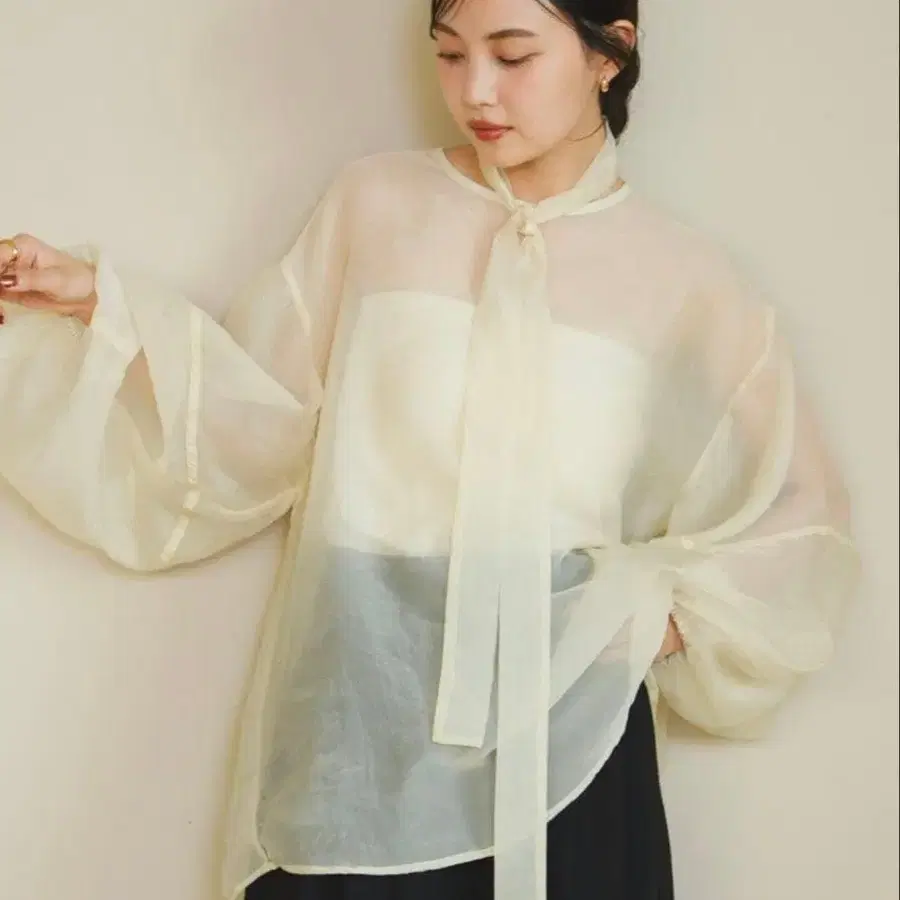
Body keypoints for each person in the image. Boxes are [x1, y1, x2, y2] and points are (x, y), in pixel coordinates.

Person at [0, 0, 861, 898]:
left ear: (611, 53)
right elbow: (252, 418)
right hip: (359, 722)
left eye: (512, 56)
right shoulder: (376, 205)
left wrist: (633, 623)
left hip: (565, 747)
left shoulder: (685, 278)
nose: (475, 91)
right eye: (450, 55)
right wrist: (96, 305)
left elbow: (800, 519)